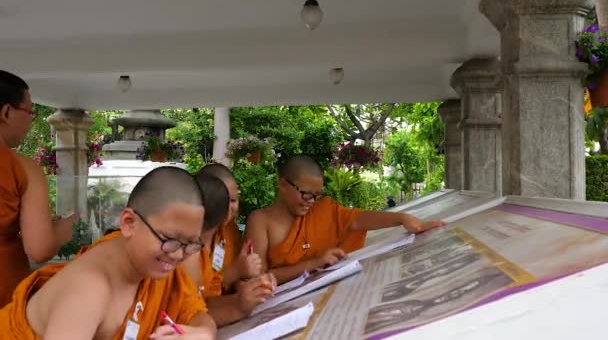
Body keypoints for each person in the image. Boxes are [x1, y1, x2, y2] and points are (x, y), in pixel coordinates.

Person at [0, 167, 216, 339]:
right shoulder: (88, 291)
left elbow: (196, 313)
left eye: (190, 244)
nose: (178, 255)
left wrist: (203, 333)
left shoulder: (151, 267)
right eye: (169, 240)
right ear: (129, 223)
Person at [246, 155, 447, 284]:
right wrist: (314, 263)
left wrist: (402, 218)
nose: (311, 202)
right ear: (283, 185)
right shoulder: (261, 221)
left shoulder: (321, 209)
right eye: (306, 194)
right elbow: (258, 280)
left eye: (316, 195)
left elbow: (357, 219)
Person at [0, 70, 76, 308]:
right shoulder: (20, 167)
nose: (30, 121)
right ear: (6, 112)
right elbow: (39, 250)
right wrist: (62, 230)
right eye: (30, 112)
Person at [181, 165, 274, 326]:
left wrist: (252, 285)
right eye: (222, 201)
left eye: (233, 200)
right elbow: (193, 305)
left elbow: (229, 285)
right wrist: (237, 273)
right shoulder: (185, 247)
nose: (228, 208)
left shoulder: (229, 230)